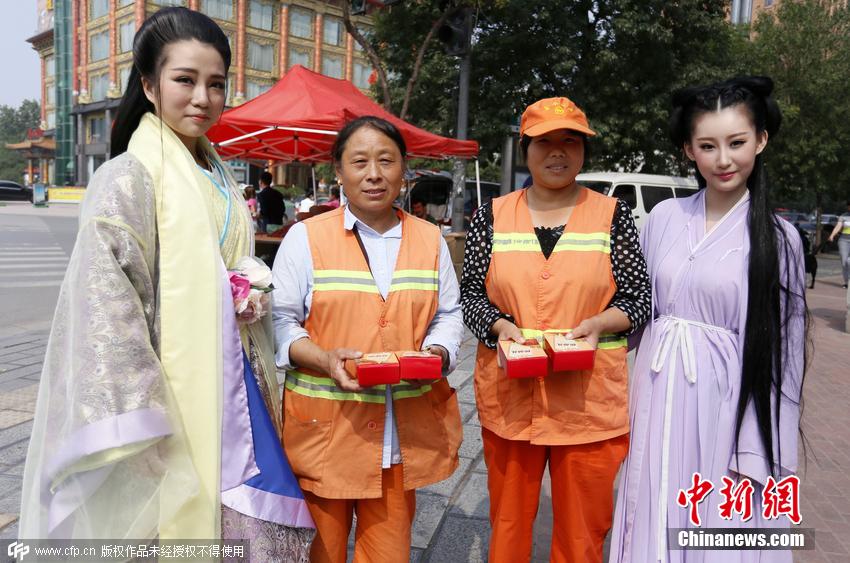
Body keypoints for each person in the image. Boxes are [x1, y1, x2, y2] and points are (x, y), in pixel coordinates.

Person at [18, 8, 314, 559]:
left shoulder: (217, 171)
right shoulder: (127, 176)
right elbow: (108, 305)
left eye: (216, 84)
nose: (203, 97)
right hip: (173, 391)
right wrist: (143, 415)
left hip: (238, 381)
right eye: (185, 80)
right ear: (150, 85)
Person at [609, 77, 807, 563]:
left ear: (760, 140)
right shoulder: (664, 217)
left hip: (726, 407)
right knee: (651, 508)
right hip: (656, 396)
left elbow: (786, 359)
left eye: (736, 142)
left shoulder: (779, 239)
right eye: (708, 146)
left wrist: (757, 448)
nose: (723, 159)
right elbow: (638, 311)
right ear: (688, 149)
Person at [460, 97, 652, 563]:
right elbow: (471, 296)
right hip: (510, 397)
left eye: (571, 140)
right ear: (525, 148)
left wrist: (601, 323)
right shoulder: (492, 215)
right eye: (544, 141)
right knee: (508, 526)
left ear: (584, 150)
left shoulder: (612, 215)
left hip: (588, 403)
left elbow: (639, 299)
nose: (558, 151)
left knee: (583, 534)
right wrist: (499, 326)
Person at [272, 115, 464, 562]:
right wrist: (323, 358)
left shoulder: (430, 239)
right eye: (359, 162)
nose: (374, 174)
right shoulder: (305, 238)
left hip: (399, 439)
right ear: (338, 172)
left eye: (386, 161)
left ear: (404, 170)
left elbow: (448, 314)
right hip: (326, 436)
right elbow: (279, 321)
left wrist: (438, 352)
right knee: (320, 553)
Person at [828, 200, 850, 288]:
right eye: (849, 206)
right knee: (844, 262)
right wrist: (832, 235)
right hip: (844, 240)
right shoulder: (843, 216)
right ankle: (846, 282)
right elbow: (838, 226)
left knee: (849, 261)